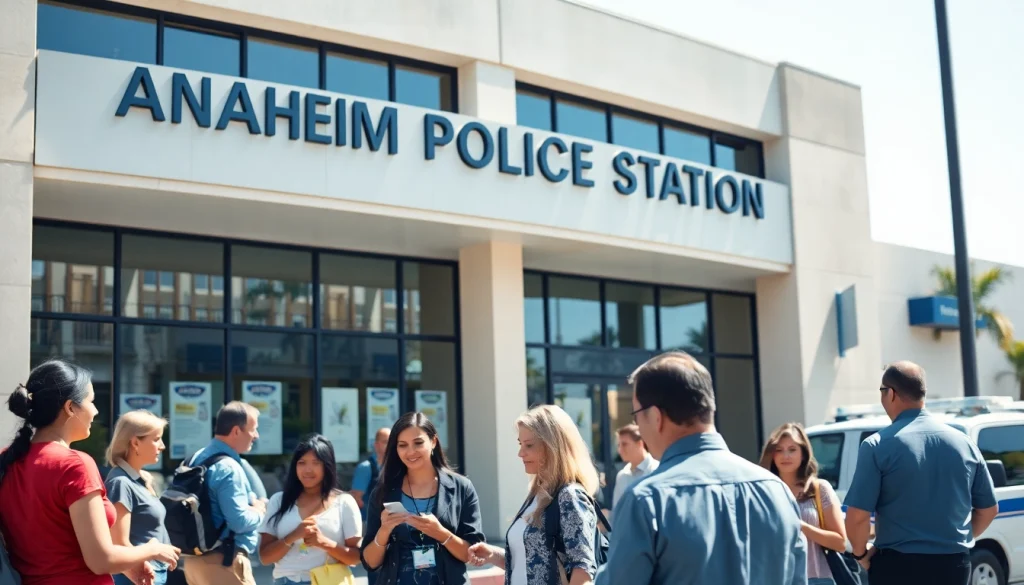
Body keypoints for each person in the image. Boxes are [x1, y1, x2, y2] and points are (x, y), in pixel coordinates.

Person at [594, 351, 807, 585]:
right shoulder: (777, 491)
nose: (638, 427)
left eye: (636, 416)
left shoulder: (647, 500)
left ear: (656, 416)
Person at [0, 360, 180, 585]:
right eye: (91, 401)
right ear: (70, 407)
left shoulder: (7, 460)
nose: (95, 411)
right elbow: (101, 560)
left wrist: (127, 565)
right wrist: (151, 549)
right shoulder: (74, 465)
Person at [844, 361, 999, 585]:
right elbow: (989, 509)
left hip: (897, 567)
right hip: (954, 565)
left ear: (891, 394)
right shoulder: (963, 443)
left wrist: (861, 554)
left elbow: (857, 517)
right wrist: (955, 541)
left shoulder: (876, 445)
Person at [466, 404, 601, 585]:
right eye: (520, 444)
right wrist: (493, 555)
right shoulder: (536, 495)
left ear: (553, 447)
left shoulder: (569, 496)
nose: (520, 453)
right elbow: (533, 564)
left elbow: (583, 571)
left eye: (529, 445)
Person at [360, 412, 485, 585]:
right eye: (402, 445)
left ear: (433, 441)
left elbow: (473, 553)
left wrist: (441, 534)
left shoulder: (461, 488)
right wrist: (384, 531)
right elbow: (370, 562)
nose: (410, 452)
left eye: (418, 443)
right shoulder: (384, 491)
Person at [259, 434, 362, 585]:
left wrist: (323, 542)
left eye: (316, 463)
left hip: (328, 580)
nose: (308, 470)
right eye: (302, 463)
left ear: (327, 466)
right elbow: (265, 557)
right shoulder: (278, 501)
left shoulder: (344, 502)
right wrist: (292, 537)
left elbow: (356, 557)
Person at [183, 401, 267, 585]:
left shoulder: (195, 457)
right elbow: (239, 522)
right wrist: (259, 511)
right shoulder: (228, 467)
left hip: (193, 563)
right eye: (253, 429)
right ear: (236, 431)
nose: (256, 436)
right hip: (223, 563)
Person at [760, 423, 847, 585]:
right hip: (777, 578)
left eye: (792, 449)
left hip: (817, 579)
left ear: (803, 454)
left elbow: (840, 543)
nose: (785, 455)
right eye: (779, 450)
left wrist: (800, 526)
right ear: (772, 455)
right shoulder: (763, 491)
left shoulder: (819, 489)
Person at [105, 410, 175, 585]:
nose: (162, 446)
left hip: (151, 573)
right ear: (135, 443)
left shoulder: (140, 479)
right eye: (156, 439)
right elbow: (118, 543)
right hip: (138, 577)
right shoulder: (121, 483)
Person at [610, 424, 658, 510]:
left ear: (640, 444)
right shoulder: (622, 476)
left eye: (624, 444)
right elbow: (617, 512)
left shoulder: (657, 470)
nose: (620, 450)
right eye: (619, 445)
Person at [352, 427, 391, 519]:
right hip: (368, 523)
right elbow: (356, 499)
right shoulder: (365, 468)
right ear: (376, 445)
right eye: (386, 442)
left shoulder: (395, 467)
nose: (390, 445)